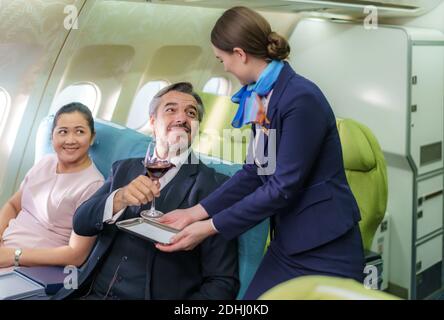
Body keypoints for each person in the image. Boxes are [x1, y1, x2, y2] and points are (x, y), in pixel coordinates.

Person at [156, 7, 365, 299]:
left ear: (239, 54)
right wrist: (193, 213)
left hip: (326, 245)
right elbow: (256, 171)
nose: (224, 68)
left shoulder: (301, 98)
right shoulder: (263, 95)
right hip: (289, 241)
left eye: (222, 59)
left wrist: (209, 228)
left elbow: (282, 187)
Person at [53, 82, 239, 300]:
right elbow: (81, 222)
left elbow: (223, 282)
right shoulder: (124, 168)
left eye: (191, 113)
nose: (182, 118)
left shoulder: (214, 187)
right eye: (170, 110)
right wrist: (118, 198)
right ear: (152, 122)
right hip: (89, 293)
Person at [0, 103, 104, 272]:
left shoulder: (93, 185)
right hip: (6, 249)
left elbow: (76, 255)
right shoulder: (45, 162)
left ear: (92, 137)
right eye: (63, 131)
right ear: (52, 136)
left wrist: (14, 255)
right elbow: (13, 205)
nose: (70, 140)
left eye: (79, 131)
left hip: (34, 266)